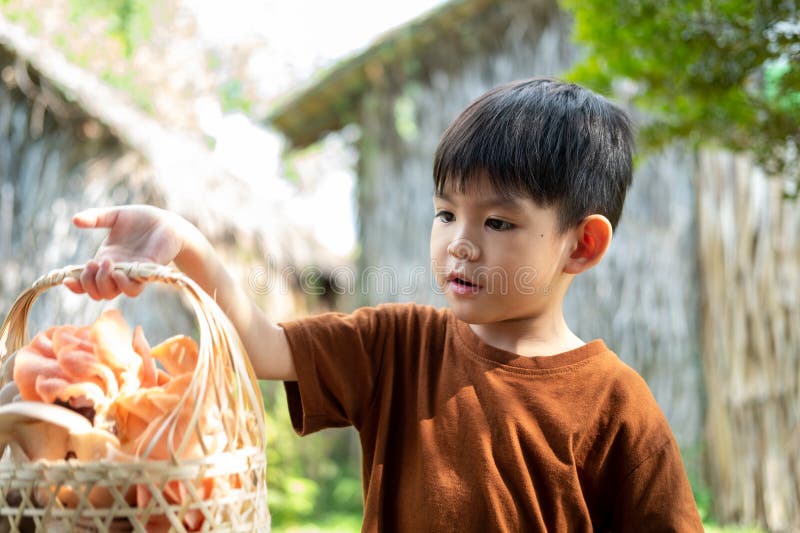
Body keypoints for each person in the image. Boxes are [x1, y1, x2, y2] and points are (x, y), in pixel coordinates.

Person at [66, 78, 704, 531]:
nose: (460, 245)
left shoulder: (617, 406)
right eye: (447, 213)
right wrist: (189, 247)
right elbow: (262, 344)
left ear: (582, 244)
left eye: (499, 223)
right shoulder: (399, 345)